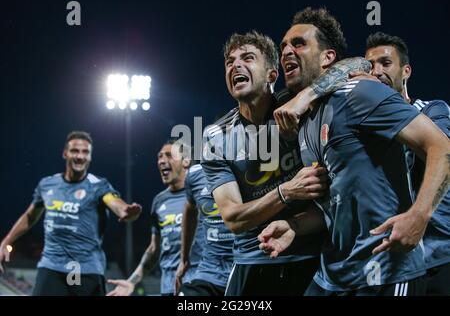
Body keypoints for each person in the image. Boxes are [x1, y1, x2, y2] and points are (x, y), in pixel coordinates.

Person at [262, 7, 449, 296]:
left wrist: (419, 215)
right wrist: (294, 226)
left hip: (385, 270)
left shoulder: (360, 92)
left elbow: (443, 147)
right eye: (283, 45)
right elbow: (335, 202)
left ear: (328, 58)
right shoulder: (305, 124)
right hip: (333, 275)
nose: (286, 50)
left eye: (299, 43)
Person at [201, 30, 372, 296]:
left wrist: (306, 96)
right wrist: (287, 192)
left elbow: (361, 63)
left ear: (272, 74)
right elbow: (234, 218)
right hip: (252, 261)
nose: (236, 65)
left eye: (247, 58)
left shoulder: (299, 108)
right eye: (229, 61)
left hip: (313, 260)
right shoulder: (215, 136)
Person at [0, 131, 142, 296]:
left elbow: (117, 205)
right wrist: (6, 242)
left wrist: (127, 211)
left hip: (86, 269)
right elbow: (30, 217)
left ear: (90, 157)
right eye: (75, 151)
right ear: (65, 153)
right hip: (52, 266)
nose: (80, 156)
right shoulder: (47, 184)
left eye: (85, 152)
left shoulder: (98, 186)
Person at [365, 31, 450, 295]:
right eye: (370, 66)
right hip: (396, 259)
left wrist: (419, 215)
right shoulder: (365, 127)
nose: (377, 71)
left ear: (406, 71)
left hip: (442, 253)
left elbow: (442, 153)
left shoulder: (432, 110)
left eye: (386, 63)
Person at [107, 140, 203, 296]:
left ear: (186, 161)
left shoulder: (203, 194)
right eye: (159, 156)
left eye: (169, 155)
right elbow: (154, 249)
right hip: (168, 287)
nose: (162, 161)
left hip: (198, 284)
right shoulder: (159, 201)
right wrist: (131, 281)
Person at [175, 163, 235, 296]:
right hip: (209, 271)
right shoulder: (194, 174)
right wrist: (183, 259)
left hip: (244, 267)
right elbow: (189, 208)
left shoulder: (250, 168)